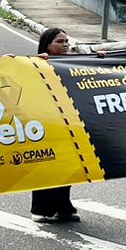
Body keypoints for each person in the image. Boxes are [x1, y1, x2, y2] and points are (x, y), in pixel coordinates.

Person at [30, 27, 79, 223]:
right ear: (47, 45)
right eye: (60, 42)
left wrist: (101, 59)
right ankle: (40, 208)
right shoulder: (35, 64)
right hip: (45, 124)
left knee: (68, 166)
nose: (65, 44)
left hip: (69, 123)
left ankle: (63, 206)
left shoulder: (73, 63)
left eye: (67, 41)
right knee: (46, 166)